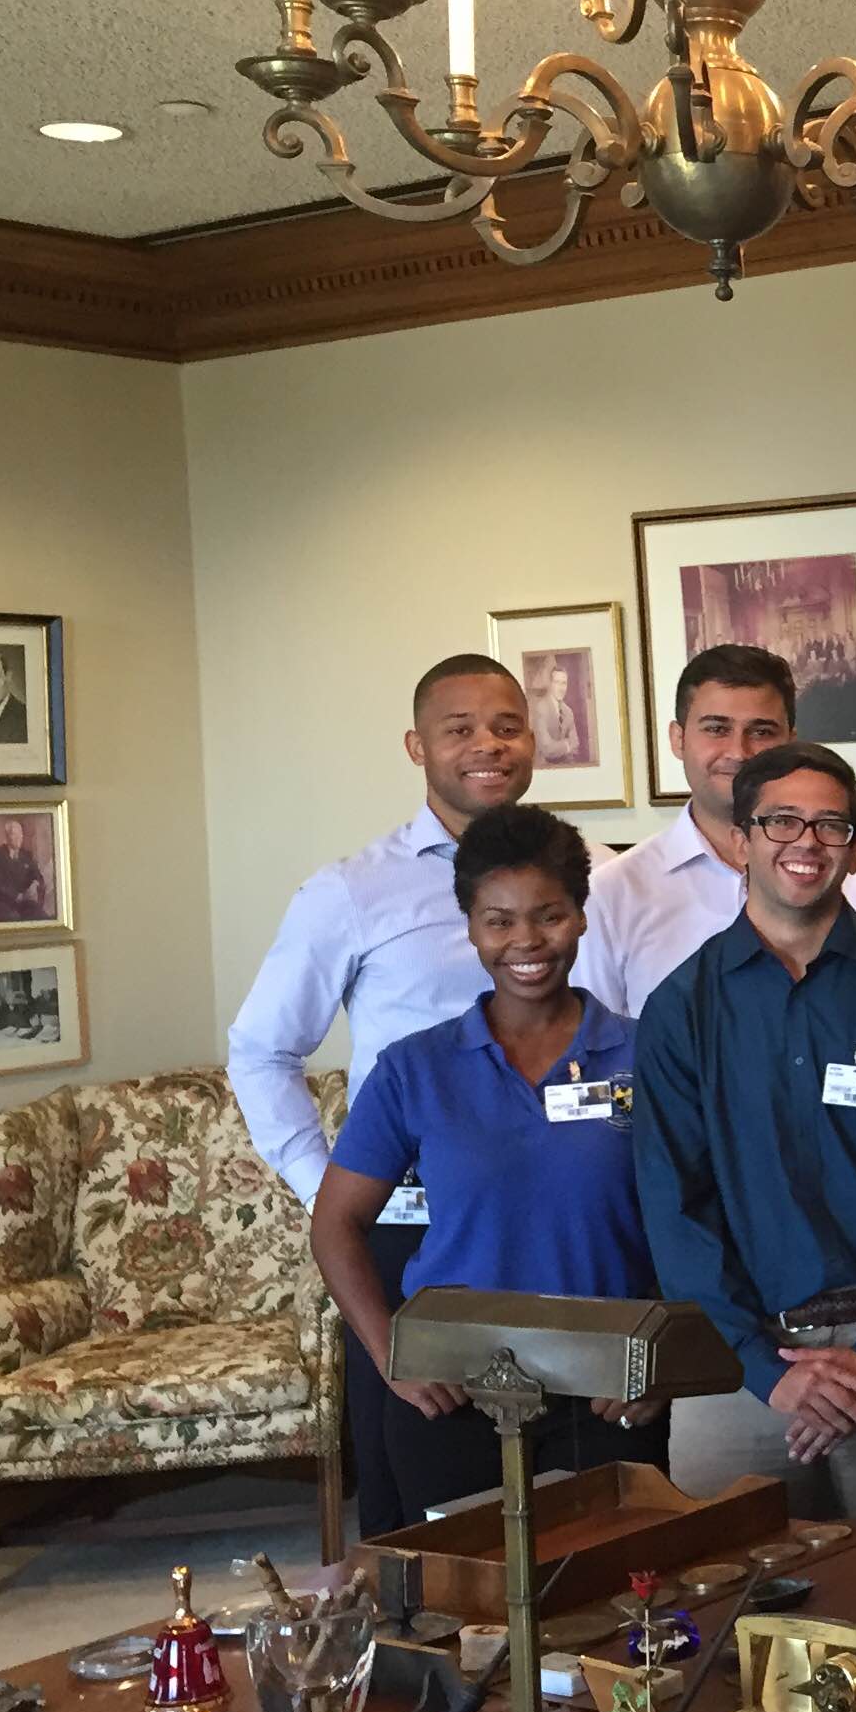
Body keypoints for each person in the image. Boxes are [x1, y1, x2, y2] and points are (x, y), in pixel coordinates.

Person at [633, 742, 856, 1523]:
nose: (807, 842)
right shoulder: (681, 1010)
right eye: (781, 822)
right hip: (737, 1371)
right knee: (727, 1615)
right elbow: (677, 1215)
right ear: (740, 840)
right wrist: (772, 1375)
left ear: (854, 846)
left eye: (831, 825)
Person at [229, 654, 554, 1536]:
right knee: (419, 1484)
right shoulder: (352, 891)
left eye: (507, 726)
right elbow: (260, 1050)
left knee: (571, 1484)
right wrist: (328, 1186)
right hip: (410, 1227)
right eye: (460, 729)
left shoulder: (581, 873)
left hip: (559, 1216)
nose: (487, 746)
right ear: (417, 746)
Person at [311, 807, 666, 1519]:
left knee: (614, 1602)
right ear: (469, 925)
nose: (526, 942)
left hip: (606, 1394)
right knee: (462, 1612)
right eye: (498, 921)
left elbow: (700, 1219)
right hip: (455, 1397)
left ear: (582, 916)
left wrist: (660, 1362)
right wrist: (391, 1357)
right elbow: (335, 1226)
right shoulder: (416, 1068)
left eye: (549, 915)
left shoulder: (647, 1055)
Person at [580, 643, 856, 1019]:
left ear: (791, 740)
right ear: (678, 739)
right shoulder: (613, 892)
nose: (740, 752)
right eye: (716, 728)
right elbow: (602, 1049)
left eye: (761, 731)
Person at [0, 820, 47, 925]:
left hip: (23, 902)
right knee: (13, 919)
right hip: (1, 902)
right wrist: (16, 896)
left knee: (41, 915)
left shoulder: (27, 855)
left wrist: (36, 883)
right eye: (15, 834)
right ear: (7, 837)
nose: (19, 837)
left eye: (21, 833)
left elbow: (38, 876)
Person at [529, 659, 583, 765]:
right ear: (550, 684)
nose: (561, 688)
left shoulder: (568, 712)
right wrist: (567, 745)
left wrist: (559, 747)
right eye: (557, 682)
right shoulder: (540, 708)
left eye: (564, 683)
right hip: (544, 768)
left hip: (565, 766)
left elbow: (576, 743)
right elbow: (547, 749)